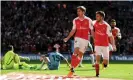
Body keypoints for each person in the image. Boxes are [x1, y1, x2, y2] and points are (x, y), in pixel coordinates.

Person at [63, 6, 93, 77]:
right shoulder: (75, 20)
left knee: (80, 55)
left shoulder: (89, 20)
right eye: (77, 11)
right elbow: (73, 30)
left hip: (85, 39)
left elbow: (92, 30)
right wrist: (67, 38)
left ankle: (73, 68)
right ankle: (72, 69)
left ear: (83, 12)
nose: (78, 12)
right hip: (77, 38)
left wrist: (95, 39)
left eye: (79, 11)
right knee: (75, 51)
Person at [92, 11, 116, 77]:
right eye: (96, 16)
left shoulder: (107, 26)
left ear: (102, 17)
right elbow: (89, 23)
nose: (96, 17)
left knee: (106, 63)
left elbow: (111, 36)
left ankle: (104, 63)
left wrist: (113, 45)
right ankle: (97, 74)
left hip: (105, 45)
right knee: (97, 59)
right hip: (97, 45)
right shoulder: (94, 23)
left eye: (97, 16)